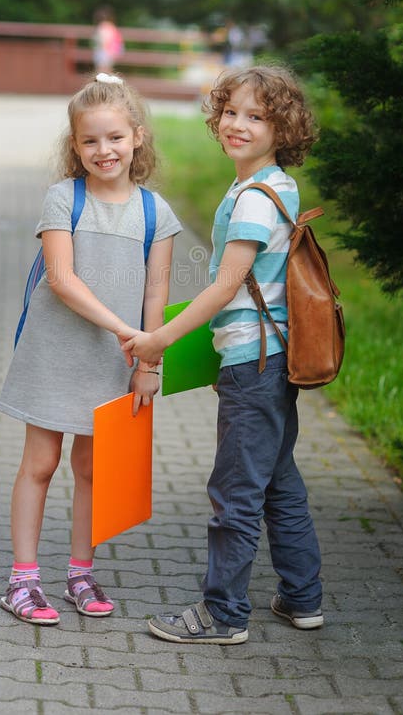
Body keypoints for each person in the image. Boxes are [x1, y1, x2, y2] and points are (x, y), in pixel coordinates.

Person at [121, 65, 322, 644]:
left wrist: (160, 338)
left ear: (282, 128)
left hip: (255, 364)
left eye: (256, 116)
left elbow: (225, 286)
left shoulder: (257, 196)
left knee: (235, 491)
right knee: (278, 482)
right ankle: (302, 599)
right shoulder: (271, 185)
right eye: (230, 111)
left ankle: (224, 614)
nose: (238, 124)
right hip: (269, 358)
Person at [0, 74, 181, 625]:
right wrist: (125, 331)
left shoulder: (156, 214)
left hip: (115, 362)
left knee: (93, 469)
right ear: (75, 147)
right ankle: (23, 581)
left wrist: (149, 360)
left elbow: (157, 291)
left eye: (115, 138)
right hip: (55, 353)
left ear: (138, 137)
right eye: (91, 141)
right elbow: (61, 279)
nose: (105, 150)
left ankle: (81, 571)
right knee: (41, 463)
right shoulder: (63, 198)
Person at [93, 6, 124, 72]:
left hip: (105, 52)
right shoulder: (112, 26)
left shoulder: (103, 26)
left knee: (101, 71)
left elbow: (104, 41)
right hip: (111, 52)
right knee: (108, 71)